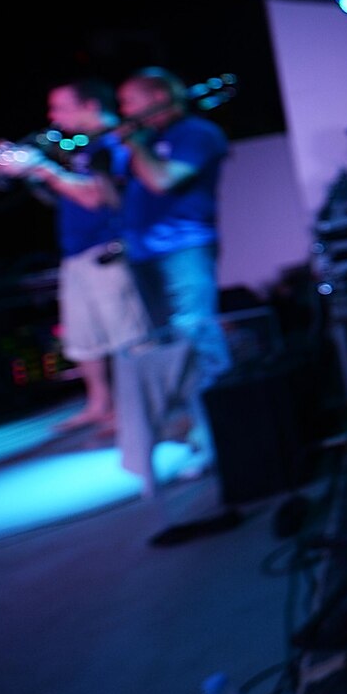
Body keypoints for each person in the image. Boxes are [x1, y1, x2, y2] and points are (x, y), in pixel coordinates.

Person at [0, 80, 151, 434]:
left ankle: (134, 410)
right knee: (83, 337)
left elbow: (95, 198)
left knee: (125, 336)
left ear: (90, 106)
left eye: (60, 107)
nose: (52, 117)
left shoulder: (112, 141)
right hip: (76, 251)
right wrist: (29, 175)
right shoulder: (80, 147)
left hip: (107, 249)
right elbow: (64, 198)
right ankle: (99, 404)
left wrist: (41, 167)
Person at [115, 67, 232, 481]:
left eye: (129, 102)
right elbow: (113, 196)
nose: (123, 111)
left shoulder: (196, 133)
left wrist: (133, 144)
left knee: (196, 337)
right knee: (173, 348)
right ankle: (202, 430)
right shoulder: (143, 142)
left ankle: (223, 437)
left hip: (184, 247)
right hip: (144, 254)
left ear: (157, 96)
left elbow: (164, 181)